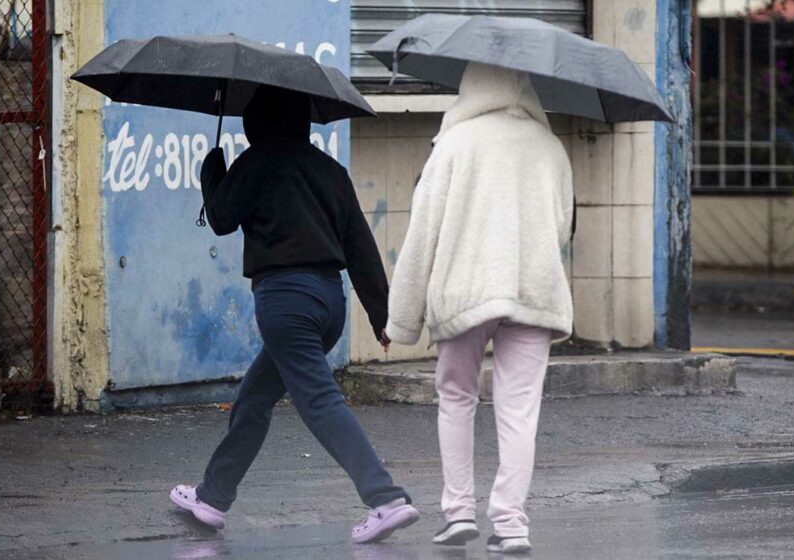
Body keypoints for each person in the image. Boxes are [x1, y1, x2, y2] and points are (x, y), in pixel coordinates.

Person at [170, 86, 418, 544]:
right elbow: (361, 248)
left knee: (319, 401)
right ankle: (211, 498)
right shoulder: (330, 171)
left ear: (257, 121)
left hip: (285, 300)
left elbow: (222, 217)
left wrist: (212, 172)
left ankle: (385, 498)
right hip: (329, 303)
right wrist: (382, 316)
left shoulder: (257, 162)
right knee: (254, 399)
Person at [386, 63, 573, 555]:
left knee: (456, 397)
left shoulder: (454, 144)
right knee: (519, 410)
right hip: (534, 292)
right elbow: (561, 227)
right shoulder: (551, 147)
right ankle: (512, 524)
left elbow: (423, 232)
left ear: (470, 85)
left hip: (466, 291)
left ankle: (459, 513)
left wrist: (401, 320)